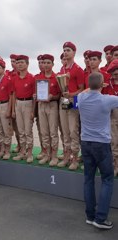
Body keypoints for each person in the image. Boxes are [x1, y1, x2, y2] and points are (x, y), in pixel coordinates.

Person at [78, 72, 118, 230]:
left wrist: (95, 85)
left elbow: (84, 92)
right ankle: (100, 218)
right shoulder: (107, 100)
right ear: (102, 84)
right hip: (101, 145)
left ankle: (90, 216)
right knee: (107, 179)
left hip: (85, 143)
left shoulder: (81, 98)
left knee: (88, 179)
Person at [58, 42, 84, 170]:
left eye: (68, 50)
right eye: (64, 50)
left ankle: (75, 159)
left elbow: (82, 89)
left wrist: (71, 94)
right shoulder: (62, 68)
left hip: (74, 100)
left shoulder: (78, 69)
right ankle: (66, 157)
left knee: (73, 130)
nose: (66, 52)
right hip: (64, 101)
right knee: (65, 129)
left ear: (74, 52)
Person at [35, 54, 60, 166]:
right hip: (41, 105)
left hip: (52, 105)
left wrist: (52, 96)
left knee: (53, 132)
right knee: (44, 132)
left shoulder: (57, 77)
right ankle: (47, 155)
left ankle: (54, 157)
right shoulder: (39, 78)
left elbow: (60, 95)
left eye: (48, 62)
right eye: (44, 62)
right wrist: (35, 96)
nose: (45, 65)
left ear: (53, 64)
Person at [12, 55, 34, 163]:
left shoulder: (31, 78)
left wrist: (33, 111)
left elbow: (35, 96)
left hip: (28, 103)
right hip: (18, 103)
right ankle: (22, 152)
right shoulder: (15, 78)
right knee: (20, 130)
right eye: (18, 62)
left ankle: (29, 153)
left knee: (28, 131)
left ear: (27, 64)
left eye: (22, 62)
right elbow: (14, 94)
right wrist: (13, 109)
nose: (19, 64)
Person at [106, 59, 118, 176]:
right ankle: (115, 165)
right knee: (113, 142)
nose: (116, 72)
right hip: (112, 117)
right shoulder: (107, 84)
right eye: (114, 70)